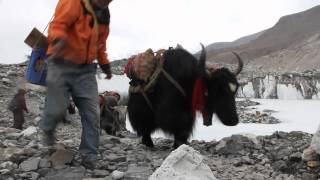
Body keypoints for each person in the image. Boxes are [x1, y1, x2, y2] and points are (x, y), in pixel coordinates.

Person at [38, 0, 113, 169]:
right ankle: (48, 128)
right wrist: (58, 41)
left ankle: (89, 154)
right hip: (60, 62)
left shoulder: (104, 14)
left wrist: (105, 64)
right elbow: (58, 25)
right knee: (57, 107)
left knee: (92, 114)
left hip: (86, 70)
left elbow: (100, 44)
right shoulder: (73, 2)